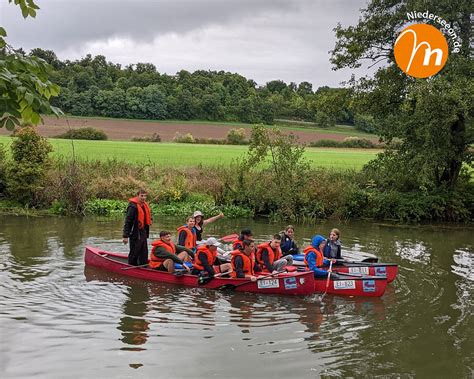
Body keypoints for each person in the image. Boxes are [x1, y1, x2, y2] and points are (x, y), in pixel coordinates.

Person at [122, 189, 152, 266]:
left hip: (143, 232)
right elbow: (128, 221)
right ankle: (131, 266)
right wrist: (125, 236)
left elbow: (145, 218)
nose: (143, 198)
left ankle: (143, 266)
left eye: (145, 196)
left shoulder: (144, 205)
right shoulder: (132, 206)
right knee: (134, 252)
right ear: (137, 195)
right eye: (141, 196)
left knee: (144, 251)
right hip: (135, 233)